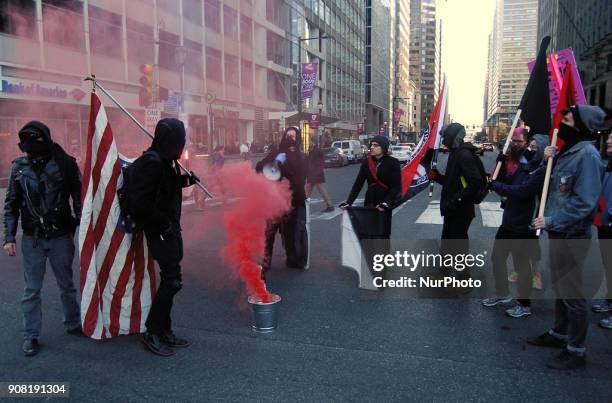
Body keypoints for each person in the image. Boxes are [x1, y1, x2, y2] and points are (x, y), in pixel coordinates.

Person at [530, 104, 606, 370]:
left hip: (572, 234)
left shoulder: (587, 156)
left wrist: (552, 220)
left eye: (570, 120)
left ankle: (576, 349)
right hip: (559, 233)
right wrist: (546, 157)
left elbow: (584, 202)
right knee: (562, 288)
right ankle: (559, 333)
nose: (563, 124)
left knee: (573, 293)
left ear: (583, 126)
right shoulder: (568, 151)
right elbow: (553, 188)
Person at [3, 121, 83, 357]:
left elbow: (79, 198)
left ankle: (73, 323)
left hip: (60, 236)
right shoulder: (19, 167)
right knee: (32, 290)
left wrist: (78, 226)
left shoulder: (65, 164)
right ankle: (30, 336)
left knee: (67, 285)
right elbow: (11, 204)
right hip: (33, 239)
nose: (29, 151)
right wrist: (8, 237)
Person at [130, 118, 198, 356]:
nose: (182, 144)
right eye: (179, 140)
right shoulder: (153, 162)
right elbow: (141, 202)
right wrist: (163, 224)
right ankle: (152, 332)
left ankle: (164, 330)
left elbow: (165, 187)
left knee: (172, 280)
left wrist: (185, 180)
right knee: (172, 281)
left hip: (168, 227)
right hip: (159, 229)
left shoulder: (166, 160)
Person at [482, 128, 546, 317]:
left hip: (524, 225)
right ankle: (502, 293)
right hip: (508, 221)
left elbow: (521, 191)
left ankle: (524, 304)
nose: (529, 149)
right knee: (497, 258)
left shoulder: (540, 171)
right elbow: (508, 181)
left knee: (521, 266)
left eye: (534, 147)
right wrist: (499, 163)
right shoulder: (523, 167)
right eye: (530, 146)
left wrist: (496, 185)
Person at [429, 123, 486, 284]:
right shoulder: (455, 153)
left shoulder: (464, 155)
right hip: (452, 207)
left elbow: (476, 181)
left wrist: (458, 199)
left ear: (453, 137)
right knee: (447, 241)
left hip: (461, 209)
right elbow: (452, 181)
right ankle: (444, 274)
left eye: (445, 136)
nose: (442, 139)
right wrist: (437, 176)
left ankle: (463, 279)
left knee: (458, 244)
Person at [256, 126, 308, 274]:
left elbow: (303, 177)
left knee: (293, 231)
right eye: (288, 136)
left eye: (294, 136)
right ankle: (266, 261)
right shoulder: (276, 153)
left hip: (295, 198)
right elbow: (260, 167)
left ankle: (293, 258)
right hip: (276, 199)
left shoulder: (302, 156)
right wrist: (275, 164)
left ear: (298, 138)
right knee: (270, 231)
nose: (291, 139)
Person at [339, 135, 401, 211]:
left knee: (382, 223)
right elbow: (358, 184)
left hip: (385, 204)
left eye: (375, 145)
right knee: (366, 222)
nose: (372, 147)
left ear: (383, 147)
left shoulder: (393, 162)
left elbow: (396, 186)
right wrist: (349, 202)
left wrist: (386, 203)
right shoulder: (366, 162)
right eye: (371, 145)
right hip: (370, 201)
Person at [593, 131, 612, 329]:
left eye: (611, 140)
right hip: (605, 224)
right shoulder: (607, 163)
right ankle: (609, 301)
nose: (608, 141)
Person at [306, 141, 334, 213]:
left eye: (310, 143)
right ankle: (330, 205)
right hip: (315, 175)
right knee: (310, 191)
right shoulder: (314, 151)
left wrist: (313, 173)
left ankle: (330, 205)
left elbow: (316, 164)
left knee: (310, 191)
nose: (309, 144)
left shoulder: (315, 152)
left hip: (315, 175)